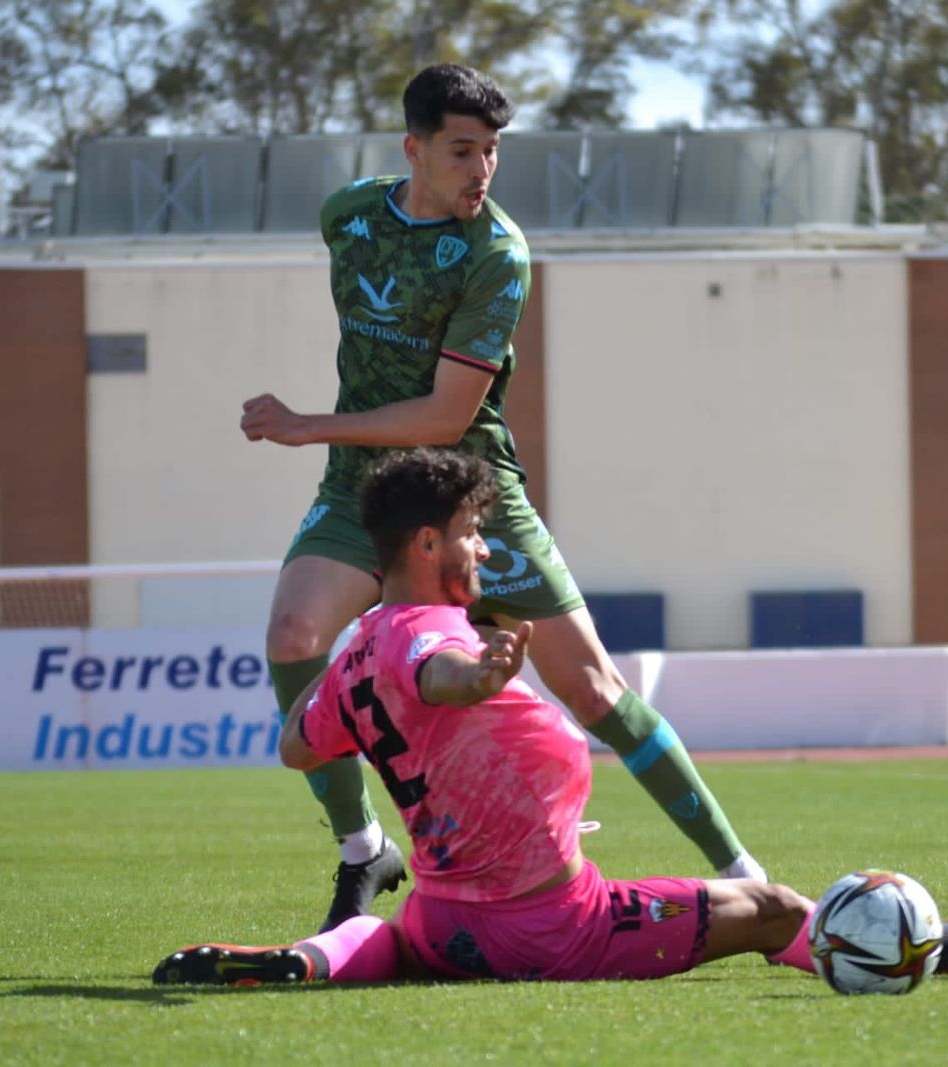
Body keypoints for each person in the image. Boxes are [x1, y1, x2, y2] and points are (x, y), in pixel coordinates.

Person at [154, 449, 948, 987]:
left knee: (396, 943)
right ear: (427, 543)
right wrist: (475, 678)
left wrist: (364, 702)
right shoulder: (432, 636)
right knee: (771, 908)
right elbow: (437, 676)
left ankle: (312, 960)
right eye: (473, 534)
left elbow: (292, 743)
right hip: (553, 922)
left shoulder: (358, 644)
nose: (483, 547)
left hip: (446, 917)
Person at [240, 62, 763, 934]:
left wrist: (308, 423)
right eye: (461, 151)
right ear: (413, 149)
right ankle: (363, 845)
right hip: (363, 489)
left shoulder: (497, 254)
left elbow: (448, 415)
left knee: (593, 688)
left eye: (491, 152)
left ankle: (745, 870)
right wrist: (327, 439)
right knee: (293, 635)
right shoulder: (348, 217)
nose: (481, 169)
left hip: (469, 488)